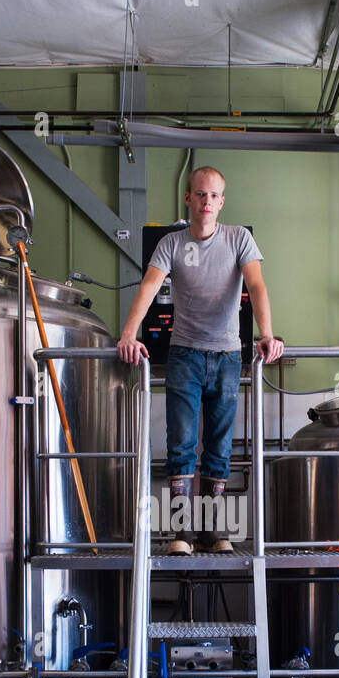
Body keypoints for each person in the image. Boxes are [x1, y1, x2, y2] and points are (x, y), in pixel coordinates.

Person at [117, 166, 283, 554]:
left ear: (221, 202)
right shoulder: (171, 244)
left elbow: (256, 285)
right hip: (184, 356)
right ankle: (181, 534)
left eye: (213, 196)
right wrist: (128, 335)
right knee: (181, 445)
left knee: (219, 449)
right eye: (200, 194)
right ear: (188, 199)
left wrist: (266, 334)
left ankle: (212, 532)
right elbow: (149, 287)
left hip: (227, 356)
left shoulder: (238, 239)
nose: (206, 201)